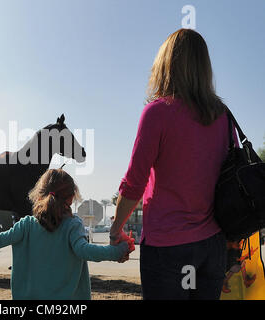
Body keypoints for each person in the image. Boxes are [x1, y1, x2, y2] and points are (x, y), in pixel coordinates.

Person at [110, 29, 230, 300]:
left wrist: (116, 230)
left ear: (166, 64)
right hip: (212, 247)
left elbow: (134, 183)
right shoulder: (223, 116)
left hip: (168, 248)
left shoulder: (157, 113)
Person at [0, 169, 133, 300]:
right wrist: (118, 250)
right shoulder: (73, 225)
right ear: (71, 198)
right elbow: (85, 251)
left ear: (39, 195)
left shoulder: (26, 225)